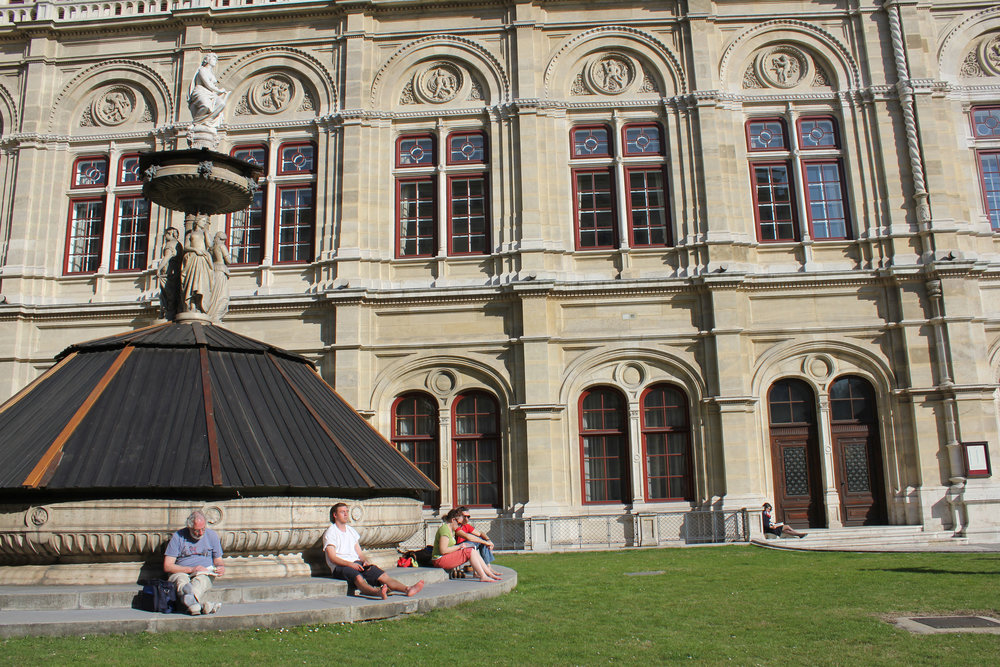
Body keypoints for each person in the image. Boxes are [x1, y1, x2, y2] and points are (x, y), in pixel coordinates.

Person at [323, 503, 424, 599]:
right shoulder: (331, 532)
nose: (346, 514)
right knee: (358, 578)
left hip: (356, 564)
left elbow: (360, 553)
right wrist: (350, 565)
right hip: (340, 567)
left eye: (347, 511)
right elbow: (333, 558)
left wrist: (364, 561)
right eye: (342, 512)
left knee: (382, 575)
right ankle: (378, 593)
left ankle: (407, 589)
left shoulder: (351, 531)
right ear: (335, 515)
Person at [163, 510, 225, 615]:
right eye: (196, 530)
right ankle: (201, 606)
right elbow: (167, 566)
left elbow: (218, 561)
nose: (200, 533)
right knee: (181, 581)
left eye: (203, 529)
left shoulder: (212, 536)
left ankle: (192, 602)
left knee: (201, 581)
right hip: (181, 570)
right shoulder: (178, 537)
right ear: (189, 527)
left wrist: (220, 567)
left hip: (204, 572)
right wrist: (191, 569)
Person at [432, 508, 500, 582]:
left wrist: (486, 541)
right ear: (453, 520)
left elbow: (475, 535)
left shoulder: (452, 530)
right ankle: (483, 576)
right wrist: (459, 546)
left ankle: (488, 573)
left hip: (445, 557)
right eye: (459, 523)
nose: (459, 526)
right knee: (469, 551)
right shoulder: (445, 530)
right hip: (439, 560)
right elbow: (443, 550)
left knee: (472, 550)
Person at [454, 507, 501, 579]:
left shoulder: (466, 526)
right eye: (464, 516)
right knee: (480, 541)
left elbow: (480, 533)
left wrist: (488, 540)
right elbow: (468, 537)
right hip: (458, 548)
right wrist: (485, 542)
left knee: (481, 540)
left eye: (468, 517)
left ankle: (486, 567)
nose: (466, 519)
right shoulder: (456, 526)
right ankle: (483, 570)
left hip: (465, 546)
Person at [187, 53, 229, 127]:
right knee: (206, 106)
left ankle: (207, 120)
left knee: (221, 104)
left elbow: (212, 86)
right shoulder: (202, 70)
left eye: (215, 60)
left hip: (211, 93)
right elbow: (208, 84)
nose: (215, 61)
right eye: (213, 59)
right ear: (207, 60)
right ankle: (197, 122)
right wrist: (220, 91)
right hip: (201, 91)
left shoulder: (211, 73)